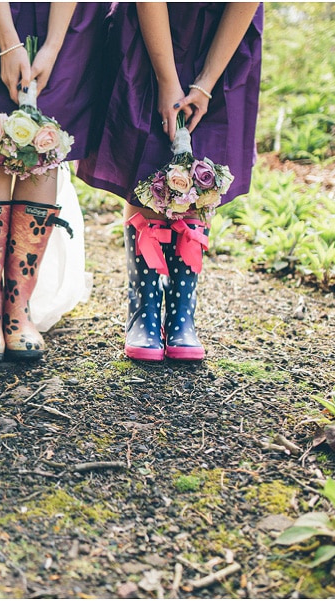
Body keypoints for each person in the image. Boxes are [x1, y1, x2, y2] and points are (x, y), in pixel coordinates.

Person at [76, 2, 262, 362]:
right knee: (143, 155)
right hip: (152, 26)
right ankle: (143, 311)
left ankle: (181, 315)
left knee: (205, 158)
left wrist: (206, 84)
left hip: (223, 31)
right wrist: (166, 80)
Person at [0, 3, 101, 362]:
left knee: (47, 142)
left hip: (65, 14)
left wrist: (53, 44)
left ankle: (18, 304)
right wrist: (8, 41)